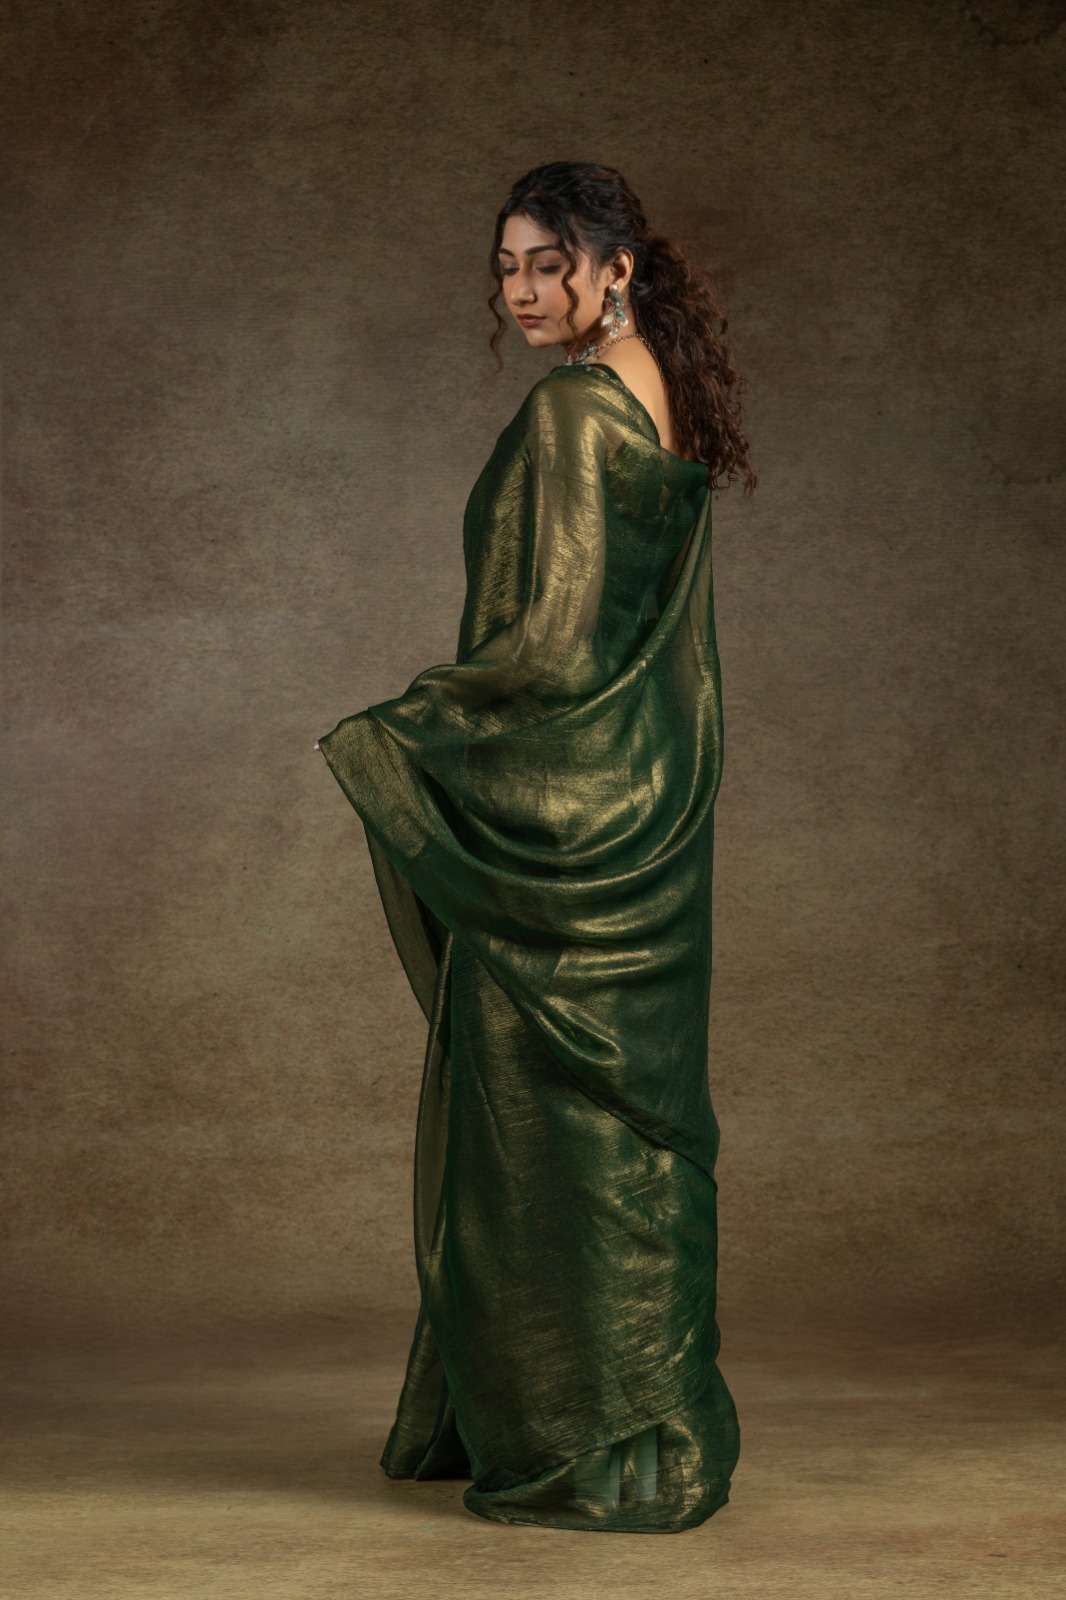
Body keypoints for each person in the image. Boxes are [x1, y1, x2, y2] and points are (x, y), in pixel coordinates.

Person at [314, 161, 757, 1534]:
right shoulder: (652, 386)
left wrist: (412, 730)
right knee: (616, 1146)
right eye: (504, 264)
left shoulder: (572, 410)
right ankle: (651, 1435)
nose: (519, 290)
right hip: (650, 810)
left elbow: (554, 651)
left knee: (538, 1138)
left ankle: (584, 1452)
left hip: (559, 827)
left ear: (615, 266)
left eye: (546, 263)